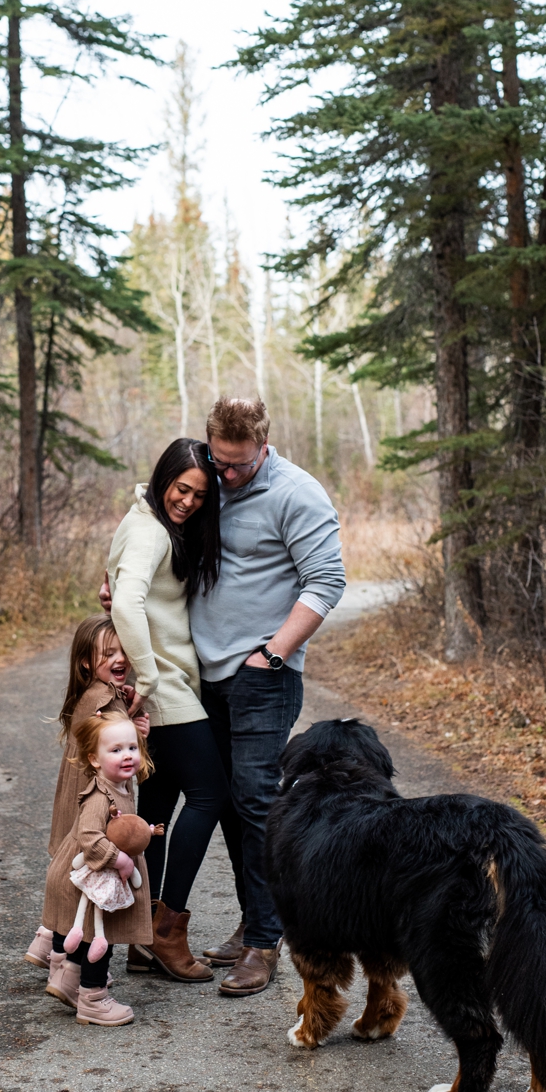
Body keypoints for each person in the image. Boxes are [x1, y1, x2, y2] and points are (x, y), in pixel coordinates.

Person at [186, 398, 346, 996]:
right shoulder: (207, 482)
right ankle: (254, 921)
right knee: (229, 802)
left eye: (240, 464)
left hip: (263, 674)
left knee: (257, 801)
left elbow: (326, 581)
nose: (227, 475)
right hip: (203, 674)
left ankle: (265, 940)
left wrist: (273, 653)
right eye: (219, 461)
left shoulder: (297, 493)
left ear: (264, 445)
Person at [103, 438, 229, 984]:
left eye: (200, 495)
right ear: (163, 479)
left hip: (164, 685)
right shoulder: (150, 531)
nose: (189, 501)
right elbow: (127, 599)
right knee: (210, 793)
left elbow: (127, 590)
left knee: (156, 806)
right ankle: (167, 928)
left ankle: (140, 936)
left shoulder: (145, 521)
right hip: (165, 689)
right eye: (182, 489)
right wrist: (149, 676)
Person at [23, 615, 148, 970]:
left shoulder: (93, 693)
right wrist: (135, 736)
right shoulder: (105, 699)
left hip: (76, 796)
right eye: (108, 653)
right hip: (94, 801)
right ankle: (69, 969)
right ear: (86, 662)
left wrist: (134, 724)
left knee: (70, 872)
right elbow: (114, 751)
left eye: (123, 650)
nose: (119, 659)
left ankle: (49, 942)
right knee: (84, 879)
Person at [42, 708, 155, 1026]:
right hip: (92, 875)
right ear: (94, 759)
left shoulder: (121, 784)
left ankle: (69, 980)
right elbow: (90, 837)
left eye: (132, 747)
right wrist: (119, 858)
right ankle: (93, 998)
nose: (127, 756)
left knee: (92, 933)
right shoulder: (99, 795)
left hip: (96, 877)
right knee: (100, 937)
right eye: (116, 750)